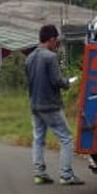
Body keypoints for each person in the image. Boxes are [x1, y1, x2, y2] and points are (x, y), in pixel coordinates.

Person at [26, 24, 83, 185]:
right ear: (51, 40)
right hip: (50, 105)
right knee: (66, 138)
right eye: (56, 41)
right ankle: (66, 175)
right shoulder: (50, 58)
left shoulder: (30, 58)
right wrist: (68, 82)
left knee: (38, 139)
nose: (56, 44)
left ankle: (39, 173)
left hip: (35, 105)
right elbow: (57, 81)